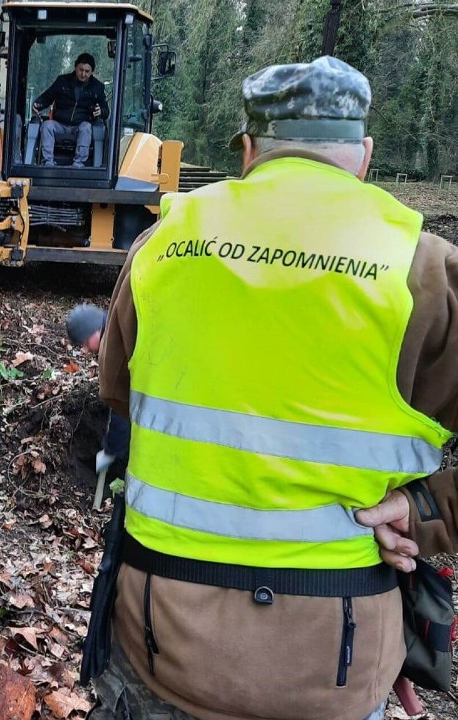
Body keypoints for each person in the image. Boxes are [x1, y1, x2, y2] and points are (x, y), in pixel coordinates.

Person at [91, 55, 458, 720]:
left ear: (250, 150)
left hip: (163, 642)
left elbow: (118, 393)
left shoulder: (162, 243)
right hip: (337, 660)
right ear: (364, 154)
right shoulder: (424, 271)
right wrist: (429, 512)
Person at [66, 304, 129, 476]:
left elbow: (122, 405)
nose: (86, 349)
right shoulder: (117, 325)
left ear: (95, 330)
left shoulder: (116, 348)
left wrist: (111, 450)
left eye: (86, 342)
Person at [32, 53, 109, 168]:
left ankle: (78, 164)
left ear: (92, 71)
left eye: (87, 71)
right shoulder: (62, 81)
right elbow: (47, 97)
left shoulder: (97, 87)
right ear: (75, 67)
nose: (83, 74)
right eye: (81, 70)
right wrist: (38, 104)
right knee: (47, 125)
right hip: (59, 124)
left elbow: (106, 110)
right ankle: (48, 163)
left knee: (86, 127)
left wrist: (101, 112)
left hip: (80, 127)